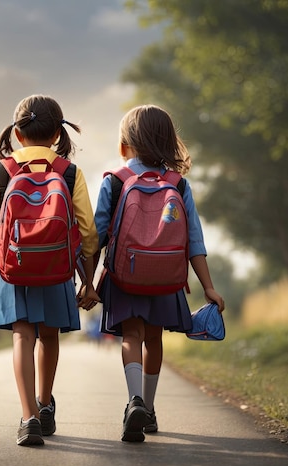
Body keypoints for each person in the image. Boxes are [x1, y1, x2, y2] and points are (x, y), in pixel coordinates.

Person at [0, 94, 100, 446]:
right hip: (57, 268)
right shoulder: (69, 173)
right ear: (57, 133)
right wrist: (88, 280)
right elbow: (88, 231)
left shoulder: (1, 171)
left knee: (22, 335)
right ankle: (44, 405)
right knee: (49, 336)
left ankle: (28, 418)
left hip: (13, 268)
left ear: (17, 134)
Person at [93, 104, 225, 443]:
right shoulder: (178, 185)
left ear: (124, 147)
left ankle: (133, 400)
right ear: (169, 143)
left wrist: (88, 283)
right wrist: (208, 287)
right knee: (154, 339)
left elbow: (97, 237)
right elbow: (194, 239)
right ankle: (148, 409)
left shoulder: (116, 180)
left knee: (131, 337)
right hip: (167, 278)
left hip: (125, 274)